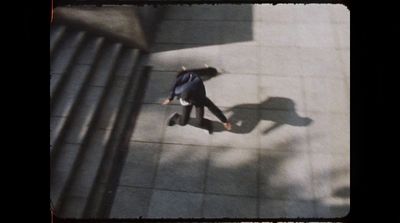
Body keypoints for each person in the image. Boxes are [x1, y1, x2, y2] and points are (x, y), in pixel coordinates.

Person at [162, 65, 232, 133]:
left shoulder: (201, 96)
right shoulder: (178, 89)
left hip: (198, 99)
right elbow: (174, 86)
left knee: (200, 122)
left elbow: (213, 108)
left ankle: (208, 124)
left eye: (188, 102)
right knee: (183, 122)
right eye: (185, 101)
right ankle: (175, 117)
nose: (188, 103)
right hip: (188, 90)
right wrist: (170, 98)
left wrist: (225, 121)